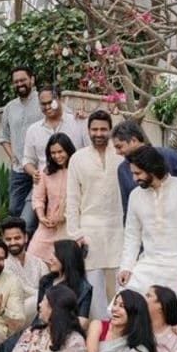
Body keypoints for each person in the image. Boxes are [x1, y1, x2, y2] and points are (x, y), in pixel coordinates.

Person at [118, 146, 177, 298]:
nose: (134, 179)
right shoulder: (135, 196)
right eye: (133, 173)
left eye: (138, 173)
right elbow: (132, 236)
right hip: (149, 263)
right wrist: (126, 267)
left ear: (152, 169)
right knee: (126, 300)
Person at [66, 110, 123, 320]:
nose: (99, 133)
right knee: (94, 289)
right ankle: (100, 335)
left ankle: (123, 333)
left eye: (103, 129)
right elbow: (71, 200)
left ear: (110, 130)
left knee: (122, 284)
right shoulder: (77, 159)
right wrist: (76, 234)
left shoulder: (120, 154)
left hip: (119, 227)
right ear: (88, 131)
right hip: (89, 230)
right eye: (94, 129)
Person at [111, 120, 177, 220]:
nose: (117, 152)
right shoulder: (123, 170)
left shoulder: (169, 156)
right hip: (149, 235)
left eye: (119, 147)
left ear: (134, 140)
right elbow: (128, 209)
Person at [0, 66, 43, 228]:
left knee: (31, 214)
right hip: (18, 170)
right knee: (14, 209)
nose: (19, 84)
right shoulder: (10, 108)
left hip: (41, 169)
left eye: (23, 80)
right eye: (16, 82)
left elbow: (63, 117)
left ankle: (32, 244)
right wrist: (12, 157)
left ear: (32, 79)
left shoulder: (43, 101)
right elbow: (4, 137)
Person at [28, 133, 76, 262]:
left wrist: (63, 216)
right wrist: (41, 217)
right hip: (48, 225)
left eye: (60, 151)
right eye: (53, 153)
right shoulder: (45, 172)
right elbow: (38, 197)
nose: (57, 156)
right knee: (33, 255)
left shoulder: (77, 169)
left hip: (70, 226)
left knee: (64, 265)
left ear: (68, 149)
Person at [23, 85, 87, 178]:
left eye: (50, 102)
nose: (47, 107)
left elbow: (90, 150)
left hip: (76, 180)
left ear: (60, 99)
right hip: (47, 183)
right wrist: (34, 173)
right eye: (43, 104)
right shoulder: (33, 130)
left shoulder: (78, 122)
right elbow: (27, 160)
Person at [1, 216, 48, 325]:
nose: (13, 242)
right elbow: (21, 289)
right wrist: (43, 296)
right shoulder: (2, 263)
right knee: (39, 299)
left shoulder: (38, 262)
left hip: (41, 308)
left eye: (17, 238)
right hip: (13, 313)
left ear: (26, 238)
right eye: (8, 239)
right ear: (3, 240)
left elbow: (48, 284)